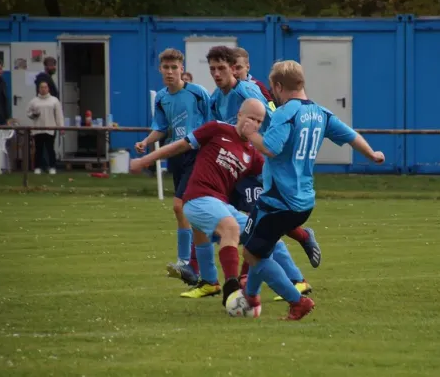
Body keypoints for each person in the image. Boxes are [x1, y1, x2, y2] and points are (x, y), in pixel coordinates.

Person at [239, 60, 386, 321]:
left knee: (252, 253)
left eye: (273, 88)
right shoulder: (321, 113)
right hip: (303, 201)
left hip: (279, 200)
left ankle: (298, 302)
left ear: (278, 86)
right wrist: (372, 154)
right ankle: (250, 297)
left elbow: (270, 148)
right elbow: (351, 136)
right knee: (260, 247)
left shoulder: (286, 112)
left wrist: (250, 133)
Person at [130, 99, 308, 306]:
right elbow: (178, 146)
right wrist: (145, 160)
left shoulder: (252, 153)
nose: (255, 124)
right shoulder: (216, 129)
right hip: (197, 198)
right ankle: (231, 290)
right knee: (230, 227)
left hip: (221, 204)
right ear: (239, 115)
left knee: (265, 236)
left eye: (259, 121)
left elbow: (276, 176)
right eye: (251, 117)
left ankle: (294, 295)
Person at [207, 46, 322, 278]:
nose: (221, 73)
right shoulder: (216, 98)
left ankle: (286, 280)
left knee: (259, 224)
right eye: (213, 69)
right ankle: (208, 276)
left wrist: (269, 146)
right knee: (229, 221)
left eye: (232, 67)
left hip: (257, 165)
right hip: (235, 165)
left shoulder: (251, 90)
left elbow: (274, 118)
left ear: (242, 68)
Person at [134, 48, 211, 281]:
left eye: (174, 68)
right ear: (160, 70)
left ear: (182, 69)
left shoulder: (199, 93)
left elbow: (211, 123)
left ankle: (186, 261)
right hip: (175, 155)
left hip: (196, 154)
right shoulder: (161, 97)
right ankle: (193, 262)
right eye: (165, 68)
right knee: (187, 211)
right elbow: (161, 127)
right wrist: (146, 141)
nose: (169, 72)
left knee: (180, 206)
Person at [27, 81, 64, 174]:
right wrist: (33, 114)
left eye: (45, 87)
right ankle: (38, 167)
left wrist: (61, 127)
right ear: (39, 89)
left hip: (50, 129)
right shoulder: (34, 101)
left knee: (50, 148)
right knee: (38, 149)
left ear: (48, 88)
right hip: (38, 129)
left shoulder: (54, 100)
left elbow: (59, 115)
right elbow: (28, 113)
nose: (43, 89)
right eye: (41, 87)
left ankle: (52, 167)